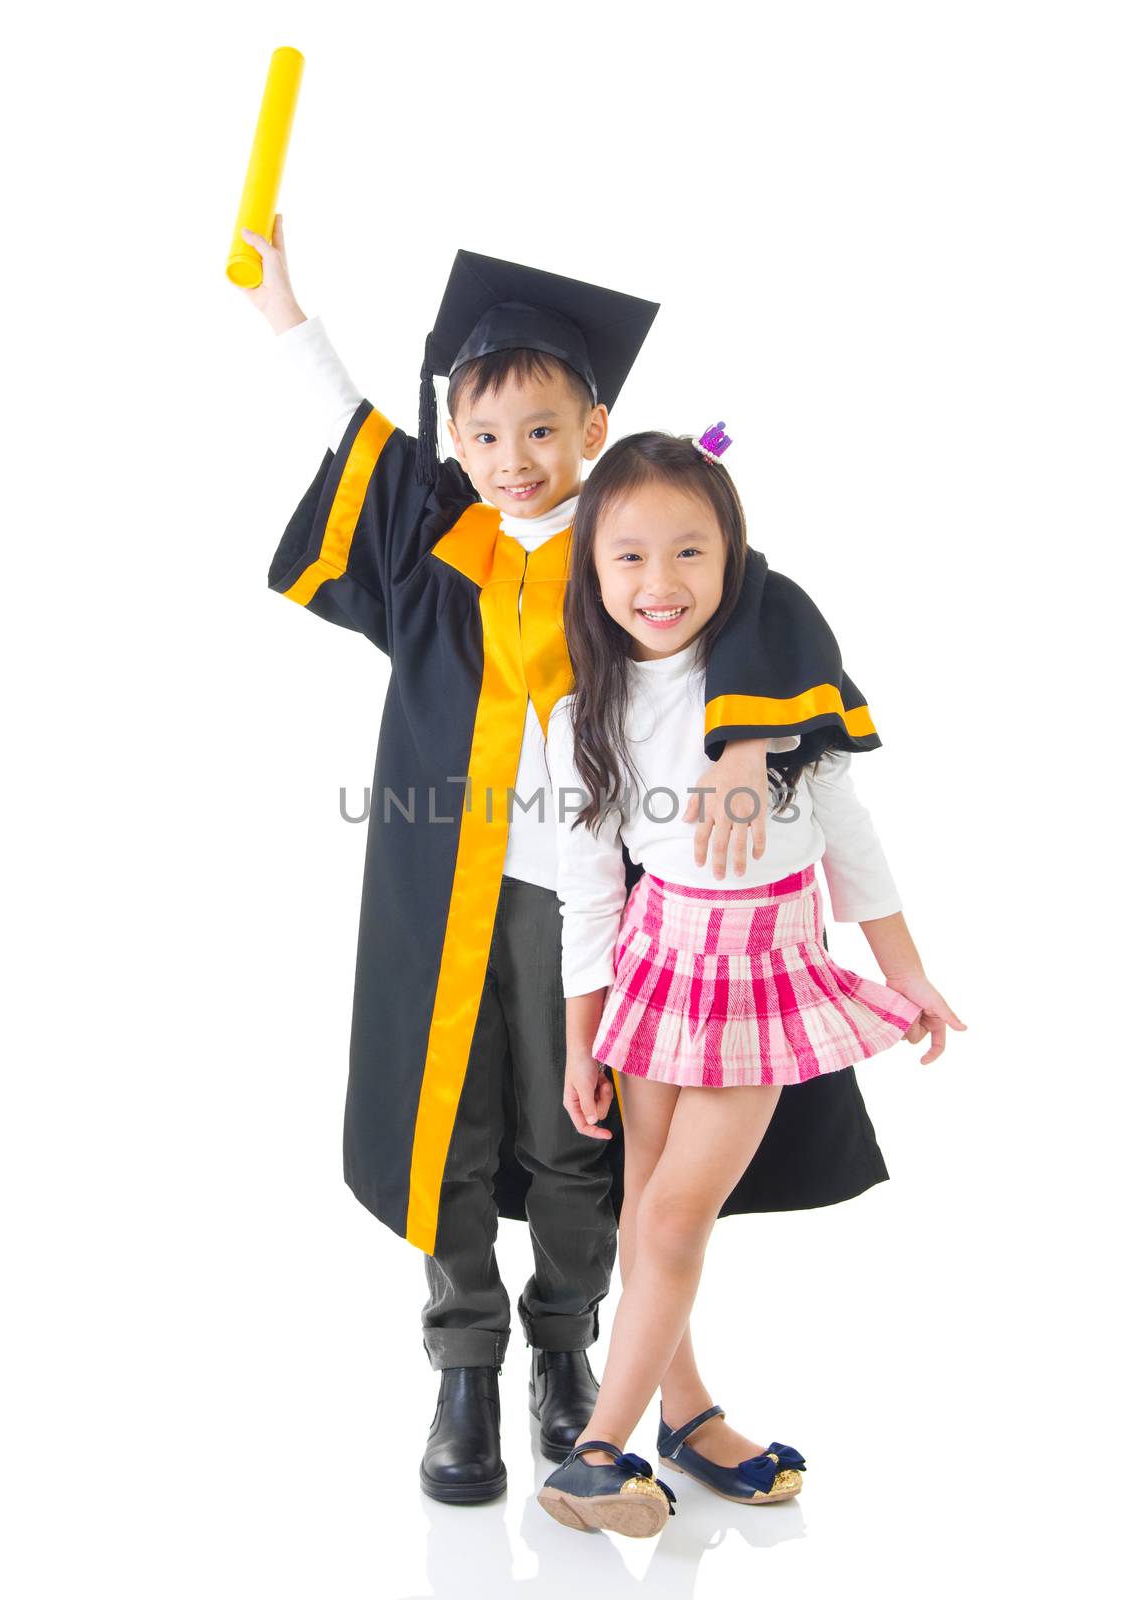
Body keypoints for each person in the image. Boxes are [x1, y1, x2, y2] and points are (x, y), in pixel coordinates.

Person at [238, 228, 818, 1503]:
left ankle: (566, 1350)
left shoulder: (626, 546)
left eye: (543, 434)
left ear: (595, 427)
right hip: (434, 881)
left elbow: (757, 602)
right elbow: (356, 434)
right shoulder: (435, 536)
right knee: (446, 1121)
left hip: (590, 897)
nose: (514, 463)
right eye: (486, 438)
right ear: (457, 440)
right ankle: (463, 1365)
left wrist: (751, 739)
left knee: (578, 1128)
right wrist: (288, 312)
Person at [539, 429, 965, 1538]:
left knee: (677, 1212)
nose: (660, 582)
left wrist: (904, 966)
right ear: (591, 566)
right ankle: (680, 1416)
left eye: (691, 551)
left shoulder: (779, 686)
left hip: (760, 971)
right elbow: (586, 892)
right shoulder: (580, 710)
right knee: (646, 1208)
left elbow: (845, 831)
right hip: (655, 963)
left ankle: (595, 1448)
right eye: (628, 556)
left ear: (733, 557)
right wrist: (581, 1038)